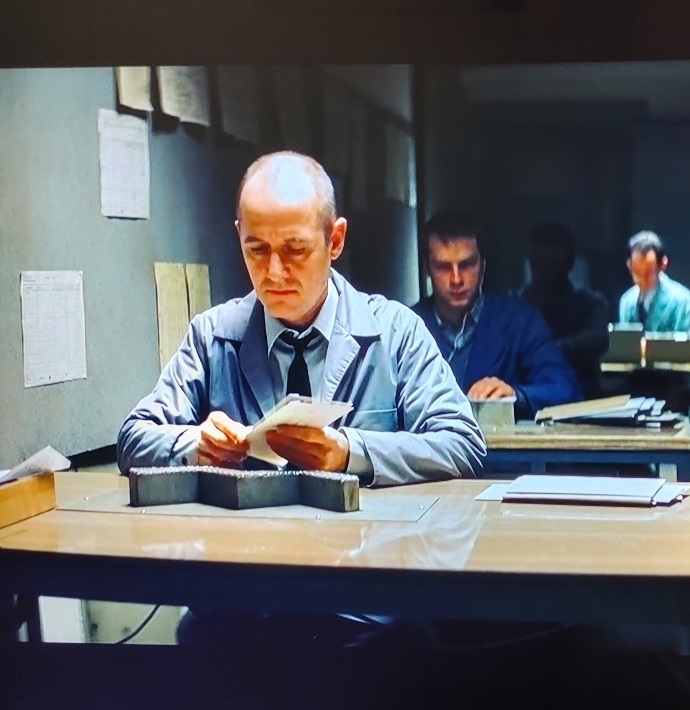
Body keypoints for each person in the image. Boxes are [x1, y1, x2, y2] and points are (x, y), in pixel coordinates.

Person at [116, 151, 486, 647]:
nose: (274, 273)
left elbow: (463, 442)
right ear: (239, 237)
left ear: (335, 240)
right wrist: (193, 445)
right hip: (241, 604)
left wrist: (351, 453)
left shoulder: (396, 332)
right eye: (256, 250)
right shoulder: (212, 335)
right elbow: (133, 439)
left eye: (294, 250)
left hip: (362, 604)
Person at [411, 211, 582, 418]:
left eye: (466, 265)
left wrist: (517, 396)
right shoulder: (407, 326)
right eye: (443, 267)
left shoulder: (521, 321)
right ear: (427, 269)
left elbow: (566, 389)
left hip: (496, 439)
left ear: (483, 265)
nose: (456, 279)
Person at [514, 221, 609, 399]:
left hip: (580, 397)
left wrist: (552, 349)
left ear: (569, 263)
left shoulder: (590, 303)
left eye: (555, 263)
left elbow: (598, 338)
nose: (546, 271)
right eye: (539, 263)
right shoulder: (515, 304)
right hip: (527, 396)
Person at [619, 230, 690, 334]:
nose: (642, 279)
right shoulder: (627, 301)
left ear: (663, 264)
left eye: (648, 273)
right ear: (629, 265)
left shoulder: (682, 302)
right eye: (637, 272)